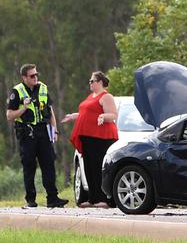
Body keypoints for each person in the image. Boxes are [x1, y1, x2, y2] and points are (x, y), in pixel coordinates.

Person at [5, 64, 68, 208]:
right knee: (29, 166)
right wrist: (24, 108)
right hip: (27, 133)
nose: (35, 78)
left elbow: (50, 111)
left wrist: (55, 130)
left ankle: (52, 198)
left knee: (49, 164)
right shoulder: (17, 91)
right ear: (24, 77)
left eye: (36, 75)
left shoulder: (43, 88)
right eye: (32, 76)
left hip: (43, 131)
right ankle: (31, 199)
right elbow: (9, 115)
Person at [61, 71, 118, 208]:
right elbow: (86, 113)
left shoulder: (106, 96)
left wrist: (103, 117)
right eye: (90, 81)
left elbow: (113, 114)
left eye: (92, 81)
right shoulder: (91, 96)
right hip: (88, 137)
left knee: (99, 167)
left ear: (99, 82)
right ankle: (93, 198)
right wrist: (74, 116)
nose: (90, 83)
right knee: (89, 168)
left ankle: (104, 199)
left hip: (101, 137)